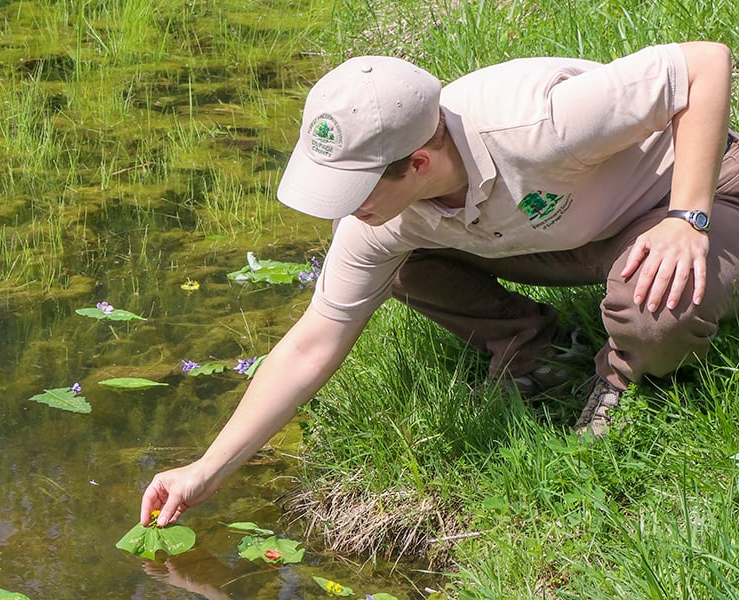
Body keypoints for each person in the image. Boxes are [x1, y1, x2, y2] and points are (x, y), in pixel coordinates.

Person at [141, 41, 738, 528]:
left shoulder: (538, 123)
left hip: (680, 196)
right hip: (560, 233)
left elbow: (703, 63)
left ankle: (623, 379)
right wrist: (207, 469)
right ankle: (544, 353)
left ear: (419, 164)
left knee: (657, 308)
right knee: (401, 265)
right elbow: (311, 342)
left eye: (356, 191)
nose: (346, 212)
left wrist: (689, 218)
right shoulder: (378, 219)